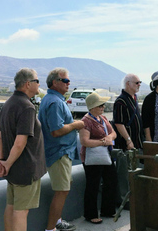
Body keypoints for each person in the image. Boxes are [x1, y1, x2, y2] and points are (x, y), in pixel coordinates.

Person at [0, 68, 47, 231]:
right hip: (25, 169)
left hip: (13, 169)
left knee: (11, 208)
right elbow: (20, 142)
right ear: (27, 84)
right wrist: (8, 164)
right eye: (37, 81)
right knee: (21, 212)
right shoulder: (27, 107)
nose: (39, 84)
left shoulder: (8, 104)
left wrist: (3, 162)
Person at [39, 68, 85, 231]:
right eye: (65, 80)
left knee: (64, 187)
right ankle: (51, 228)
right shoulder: (54, 102)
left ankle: (57, 221)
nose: (68, 83)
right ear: (55, 82)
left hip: (62, 152)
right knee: (62, 191)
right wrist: (75, 125)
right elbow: (56, 131)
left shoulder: (53, 99)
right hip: (59, 152)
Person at [79, 92, 117, 224]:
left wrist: (109, 138)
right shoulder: (86, 121)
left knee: (111, 181)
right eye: (100, 105)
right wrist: (103, 142)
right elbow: (85, 141)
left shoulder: (103, 118)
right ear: (93, 107)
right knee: (92, 185)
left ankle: (108, 209)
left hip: (105, 155)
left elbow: (113, 133)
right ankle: (90, 214)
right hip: (92, 158)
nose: (103, 107)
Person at [112, 73, 147, 208]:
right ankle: (123, 200)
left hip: (137, 142)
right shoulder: (120, 101)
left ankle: (133, 198)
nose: (139, 85)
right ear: (128, 84)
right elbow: (119, 123)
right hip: (126, 145)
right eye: (136, 83)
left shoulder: (134, 98)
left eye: (140, 83)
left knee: (134, 172)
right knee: (124, 174)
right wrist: (128, 140)